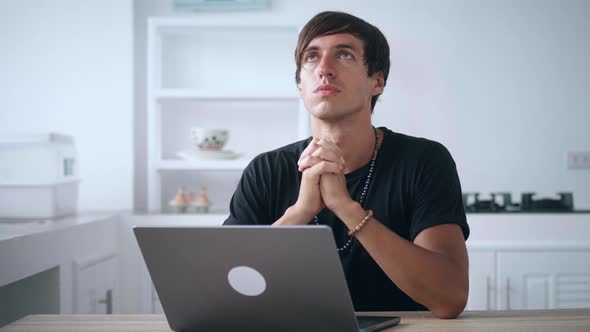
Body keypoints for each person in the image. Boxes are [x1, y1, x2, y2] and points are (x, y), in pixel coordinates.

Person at [224, 11, 470, 319]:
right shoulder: (265, 170)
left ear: (377, 81)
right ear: (300, 85)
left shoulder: (424, 161)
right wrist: (300, 212)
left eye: (344, 55)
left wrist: (346, 207)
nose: (324, 69)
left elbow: (449, 298)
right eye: (311, 57)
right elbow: (227, 289)